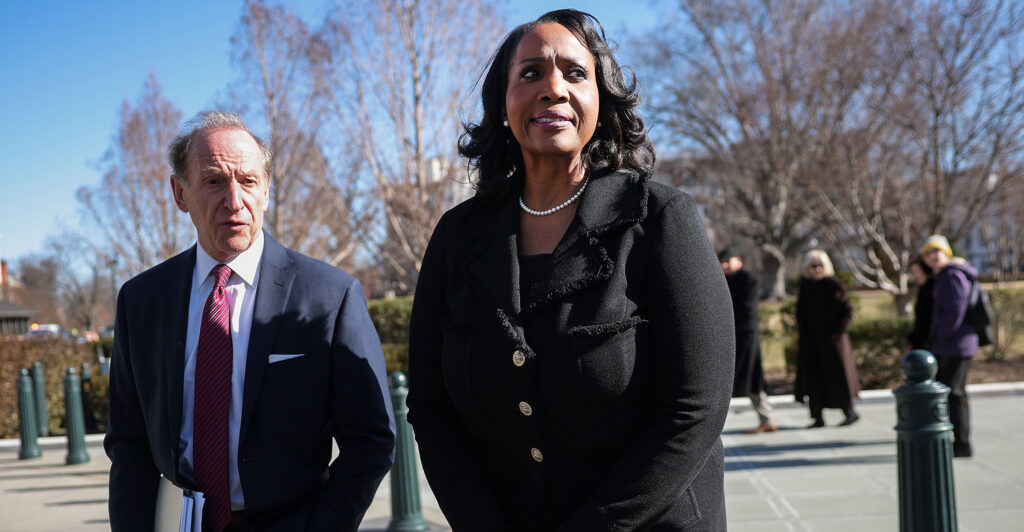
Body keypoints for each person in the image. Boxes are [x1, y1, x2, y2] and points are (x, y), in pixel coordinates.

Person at [406, 9, 734, 531]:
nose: (553, 88)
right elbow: (430, 406)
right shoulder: (456, 236)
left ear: (601, 103)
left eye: (575, 73)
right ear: (503, 102)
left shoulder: (660, 219)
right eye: (531, 72)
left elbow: (695, 410)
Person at [104, 111, 395, 531]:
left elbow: (372, 439)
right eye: (214, 182)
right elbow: (128, 441)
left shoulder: (330, 296)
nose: (234, 200)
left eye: (249, 181)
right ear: (179, 193)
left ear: (267, 191)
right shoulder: (141, 300)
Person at [921, 234, 978, 458]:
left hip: (957, 344)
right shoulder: (943, 275)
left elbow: (956, 310)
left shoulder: (953, 274)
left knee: (955, 393)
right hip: (953, 343)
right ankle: (955, 439)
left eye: (937, 251)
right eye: (928, 253)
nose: (933, 256)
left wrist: (940, 337)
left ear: (947, 253)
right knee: (952, 392)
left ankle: (962, 443)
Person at [794, 249, 861, 428]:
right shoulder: (806, 285)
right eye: (813, 266)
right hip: (812, 342)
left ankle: (849, 411)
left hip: (833, 342)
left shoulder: (833, 284)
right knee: (814, 380)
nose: (816, 269)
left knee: (838, 377)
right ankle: (817, 416)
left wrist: (836, 333)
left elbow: (847, 311)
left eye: (820, 265)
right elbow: (801, 313)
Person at [719, 247, 777, 434]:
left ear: (739, 261)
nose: (725, 264)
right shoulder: (723, 281)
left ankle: (765, 418)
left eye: (729, 260)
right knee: (750, 379)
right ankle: (766, 418)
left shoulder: (747, 280)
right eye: (723, 261)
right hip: (733, 336)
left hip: (745, 336)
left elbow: (747, 312)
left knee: (746, 378)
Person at [906, 255, 934, 351]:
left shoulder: (933, 288)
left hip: (930, 345)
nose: (915, 275)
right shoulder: (922, 289)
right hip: (921, 344)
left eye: (917, 271)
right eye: (913, 272)